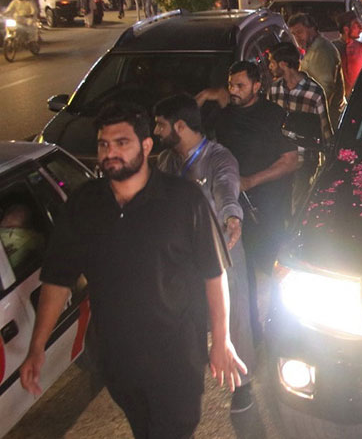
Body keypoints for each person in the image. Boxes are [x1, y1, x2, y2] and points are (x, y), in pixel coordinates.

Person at [21, 102, 246, 438]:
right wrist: (37, 347)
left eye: (121, 143)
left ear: (146, 146)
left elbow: (214, 274)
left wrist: (222, 339)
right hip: (117, 358)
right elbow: (57, 279)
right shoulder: (84, 205)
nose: (111, 152)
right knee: (144, 428)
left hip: (177, 357)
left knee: (174, 429)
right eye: (103, 144)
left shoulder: (184, 201)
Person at [152, 95, 257, 414]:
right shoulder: (167, 161)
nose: (156, 131)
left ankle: (242, 384)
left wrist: (232, 216)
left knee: (233, 316)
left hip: (221, 248)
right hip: (183, 254)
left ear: (180, 126)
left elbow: (228, 189)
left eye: (160, 124)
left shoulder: (218, 158)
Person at [211, 61, 299, 275]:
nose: (233, 91)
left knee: (268, 269)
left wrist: (250, 181)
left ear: (256, 86)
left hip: (267, 209)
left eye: (240, 86)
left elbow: (291, 160)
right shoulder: (223, 115)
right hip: (232, 208)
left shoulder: (275, 116)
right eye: (231, 85)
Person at [267, 42, 331, 211]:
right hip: (280, 158)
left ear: (283, 64)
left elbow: (325, 130)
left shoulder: (314, 93)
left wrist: (328, 162)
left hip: (304, 161)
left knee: (298, 206)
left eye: (272, 62)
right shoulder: (274, 90)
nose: (269, 67)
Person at [287, 13, 342, 111]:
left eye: (299, 32)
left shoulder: (322, 51)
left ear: (312, 29)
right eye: (294, 34)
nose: (297, 38)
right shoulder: (312, 49)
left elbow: (325, 89)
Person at [335, 10, 362, 102]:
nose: (361, 29)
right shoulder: (333, 49)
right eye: (356, 25)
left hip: (359, 99)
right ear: (346, 29)